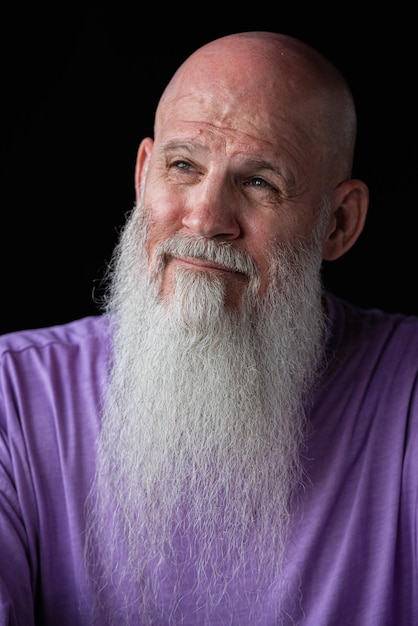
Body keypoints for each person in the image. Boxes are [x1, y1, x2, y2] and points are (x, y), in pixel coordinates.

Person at [0, 30, 416, 626]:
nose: (205, 218)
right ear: (144, 175)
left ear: (339, 223)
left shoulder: (408, 397)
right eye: (183, 166)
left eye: (259, 182)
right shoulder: (11, 399)